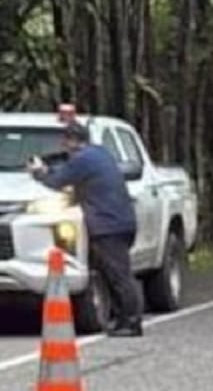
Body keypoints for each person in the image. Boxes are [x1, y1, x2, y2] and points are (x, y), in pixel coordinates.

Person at [26, 121, 142, 337]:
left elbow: (58, 180)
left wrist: (39, 172)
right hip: (119, 221)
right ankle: (122, 320)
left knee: (118, 275)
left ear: (71, 141)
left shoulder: (83, 160)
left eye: (65, 141)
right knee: (113, 273)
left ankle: (132, 321)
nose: (63, 145)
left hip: (109, 224)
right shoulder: (99, 154)